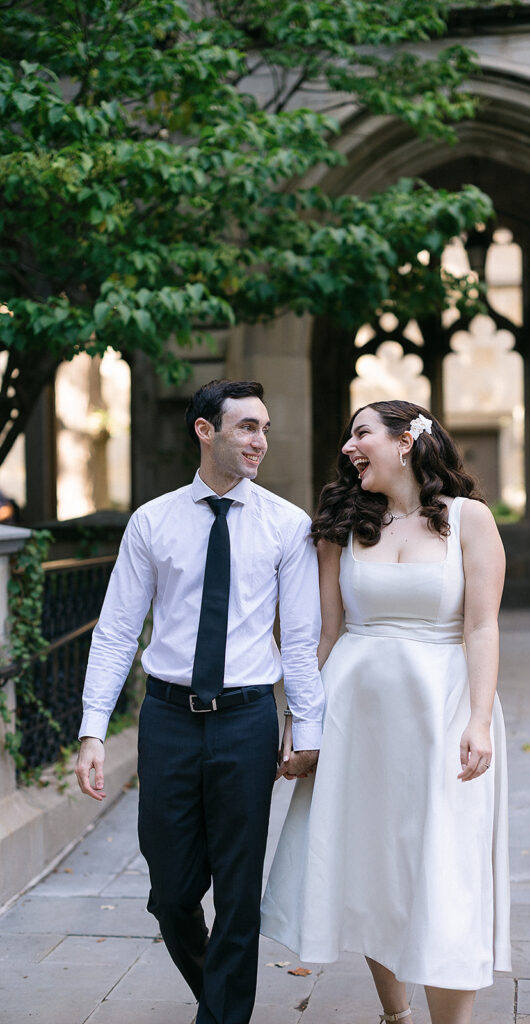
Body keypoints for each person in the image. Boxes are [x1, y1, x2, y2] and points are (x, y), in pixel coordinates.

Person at [75, 379, 324, 1024]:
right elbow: (116, 631)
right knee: (172, 892)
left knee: (239, 893)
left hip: (245, 720)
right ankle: (218, 990)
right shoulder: (153, 521)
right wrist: (93, 730)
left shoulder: (286, 525)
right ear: (205, 431)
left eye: (265, 428)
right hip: (167, 720)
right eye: (246, 427)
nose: (260, 442)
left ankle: (221, 1017)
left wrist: (306, 726)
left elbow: (299, 640)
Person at [261, 400, 511, 1024]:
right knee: (373, 864)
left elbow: (482, 628)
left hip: (442, 713)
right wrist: (301, 723)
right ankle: (395, 1015)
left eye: (361, 433)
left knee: (445, 868)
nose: (349, 445)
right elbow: (324, 634)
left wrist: (478, 720)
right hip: (357, 718)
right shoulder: (343, 527)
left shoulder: (469, 520)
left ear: (406, 441)